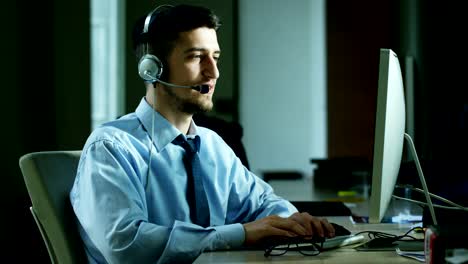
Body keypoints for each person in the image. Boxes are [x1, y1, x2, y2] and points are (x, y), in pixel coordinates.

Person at [70, 4, 335, 263]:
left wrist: (293, 224)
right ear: (152, 68)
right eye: (197, 57)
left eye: (215, 57)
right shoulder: (111, 147)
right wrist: (241, 234)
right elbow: (125, 246)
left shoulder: (211, 145)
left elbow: (263, 203)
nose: (213, 72)